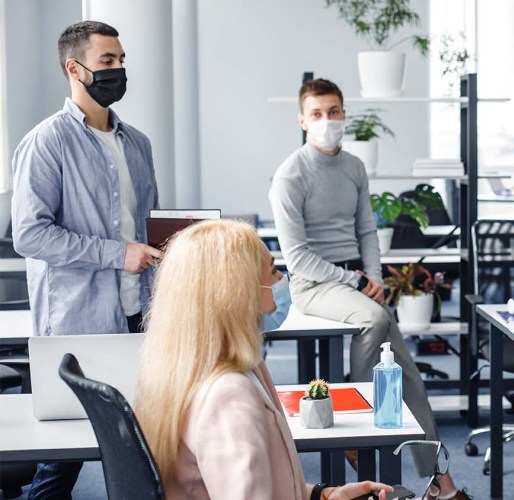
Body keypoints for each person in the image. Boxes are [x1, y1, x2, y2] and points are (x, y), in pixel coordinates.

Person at [269, 78, 468, 499]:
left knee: (406, 374)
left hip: (357, 281)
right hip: (314, 283)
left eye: (334, 112)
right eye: (317, 114)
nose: (327, 121)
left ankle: (440, 481)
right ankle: (364, 429)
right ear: (302, 120)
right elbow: (298, 257)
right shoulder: (289, 175)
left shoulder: (355, 167)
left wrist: (374, 277)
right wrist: (357, 281)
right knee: (376, 320)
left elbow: (366, 231)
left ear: (344, 114)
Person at [10, 20, 161, 498]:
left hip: (139, 316)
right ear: (75, 69)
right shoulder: (47, 141)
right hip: (79, 320)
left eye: (121, 60)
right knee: (64, 460)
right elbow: (30, 235)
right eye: (107, 62)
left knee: (145, 448)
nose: (119, 70)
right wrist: (118, 255)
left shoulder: (137, 143)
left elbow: (148, 224)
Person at [135, 220, 392, 499]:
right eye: (272, 271)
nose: (282, 280)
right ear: (238, 291)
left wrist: (324, 495)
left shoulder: (185, 368)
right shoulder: (228, 396)